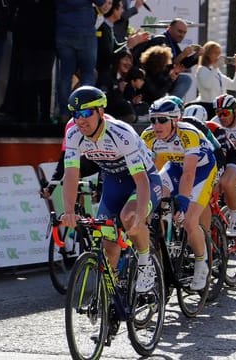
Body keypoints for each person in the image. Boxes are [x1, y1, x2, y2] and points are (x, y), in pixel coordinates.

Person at [60, 86, 163, 294]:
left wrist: (141, 215)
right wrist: (69, 210)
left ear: (100, 112)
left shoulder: (121, 133)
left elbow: (141, 181)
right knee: (108, 245)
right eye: (76, 114)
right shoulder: (73, 134)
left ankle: (145, 263)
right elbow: (71, 174)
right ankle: (111, 299)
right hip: (114, 182)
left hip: (143, 180)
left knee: (129, 215)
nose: (81, 120)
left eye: (86, 113)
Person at [140, 96, 217, 290]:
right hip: (174, 168)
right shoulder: (148, 136)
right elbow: (147, 171)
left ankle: (201, 263)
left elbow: (189, 173)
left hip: (201, 171)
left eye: (163, 120)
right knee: (149, 205)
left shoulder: (188, 134)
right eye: (153, 119)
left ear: (175, 120)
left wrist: (183, 201)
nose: (157, 125)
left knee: (190, 220)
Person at [184, 104, 236, 236]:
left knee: (224, 183)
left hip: (229, 159)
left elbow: (221, 156)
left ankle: (234, 219)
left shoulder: (215, 129)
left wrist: (214, 180)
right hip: (202, 162)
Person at [55, 0, 112, 122]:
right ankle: (85, 111)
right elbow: (104, 8)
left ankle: (64, 113)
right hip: (85, 33)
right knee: (87, 73)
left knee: (65, 75)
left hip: (63, 32)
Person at [133, 18, 203, 100]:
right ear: (169, 29)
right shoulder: (160, 40)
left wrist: (196, 55)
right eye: (179, 31)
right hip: (152, 80)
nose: (182, 35)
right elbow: (164, 64)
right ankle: (170, 105)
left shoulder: (173, 43)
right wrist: (183, 54)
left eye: (184, 33)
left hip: (164, 79)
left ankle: (171, 104)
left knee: (185, 79)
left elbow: (182, 64)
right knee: (184, 79)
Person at [210, 94, 236, 236]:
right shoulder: (215, 124)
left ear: (235, 111)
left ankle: (235, 219)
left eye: (226, 113)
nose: (222, 117)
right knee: (225, 184)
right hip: (229, 156)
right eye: (219, 113)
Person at [193, 41, 236, 119]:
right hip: (206, 107)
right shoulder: (202, 69)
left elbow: (235, 86)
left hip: (219, 108)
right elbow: (207, 85)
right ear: (208, 54)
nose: (218, 56)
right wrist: (216, 66)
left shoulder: (217, 72)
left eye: (219, 53)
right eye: (215, 53)